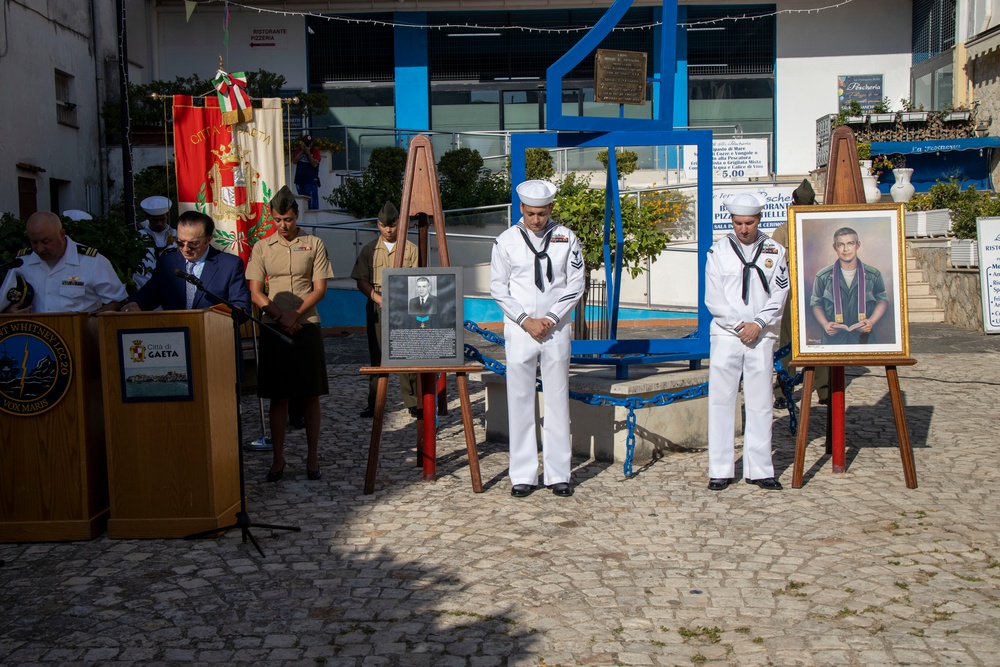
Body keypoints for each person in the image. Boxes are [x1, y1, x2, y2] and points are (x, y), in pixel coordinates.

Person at [489, 179, 585, 498]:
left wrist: (550, 318)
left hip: (555, 329)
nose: (536, 220)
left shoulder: (566, 238)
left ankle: (558, 474)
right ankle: (523, 475)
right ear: (521, 209)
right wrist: (526, 320)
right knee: (519, 399)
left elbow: (575, 284)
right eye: (530, 213)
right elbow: (499, 288)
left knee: (557, 398)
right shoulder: (506, 241)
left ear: (551, 209)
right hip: (520, 330)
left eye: (542, 213)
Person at [246, 185, 334, 482]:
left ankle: (312, 456)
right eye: (277, 220)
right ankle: (278, 458)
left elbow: (319, 288)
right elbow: (256, 292)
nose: (283, 225)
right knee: (277, 396)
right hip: (273, 326)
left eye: (288, 219)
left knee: (310, 394)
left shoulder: (314, 243)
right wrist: (279, 316)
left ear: (297, 215)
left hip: (306, 323)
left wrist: (294, 315)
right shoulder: (262, 247)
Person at [705, 192, 789, 492]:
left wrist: (758, 324)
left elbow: (780, 293)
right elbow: (713, 298)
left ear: (759, 220)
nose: (743, 229)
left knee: (761, 402)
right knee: (721, 400)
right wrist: (740, 325)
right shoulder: (718, 252)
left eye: (749, 223)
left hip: (761, 335)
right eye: (738, 222)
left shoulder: (774, 250)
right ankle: (720, 469)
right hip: (727, 335)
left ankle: (761, 468)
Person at [350, 201, 420, 419]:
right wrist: (378, 299)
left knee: (406, 354)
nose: (388, 230)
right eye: (383, 225)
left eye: (392, 225)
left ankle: (413, 402)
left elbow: (417, 279)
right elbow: (361, 280)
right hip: (377, 303)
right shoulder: (369, 250)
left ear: (399, 224)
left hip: (405, 305)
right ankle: (375, 402)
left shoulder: (411, 249)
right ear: (378, 225)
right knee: (378, 355)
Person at [120, 211, 250, 314]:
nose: (185, 248)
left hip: (215, 338)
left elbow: (242, 306)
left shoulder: (229, 265)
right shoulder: (168, 263)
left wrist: (224, 315)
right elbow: (149, 295)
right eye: (180, 242)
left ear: (208, 239)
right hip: (176, 339)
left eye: (193, 244)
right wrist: (133, 304)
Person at [771, 179, 829, 408]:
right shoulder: (785, 231)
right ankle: (786, 392)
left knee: (816, 342)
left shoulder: (817, 228)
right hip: (796, 292)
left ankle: (820, 390)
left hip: (815, 292)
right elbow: (775, 263)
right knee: (792, 343)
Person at [0, 211, 127, 314]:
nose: (39, 248)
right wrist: (7, 313)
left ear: (62, 234)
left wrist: (90, 321)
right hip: (35, 340)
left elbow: (118, 300)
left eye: (45, 241)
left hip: (77, 338)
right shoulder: (21, 262)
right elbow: (6, 298)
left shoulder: (92, 262)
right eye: (34, 242)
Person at [810, 227, 889, 345]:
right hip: (834, 339)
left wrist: (871, 322)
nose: (845, 249)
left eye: (850, 243)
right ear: (834, 247)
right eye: (840, 244)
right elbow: (816, 304)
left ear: (858, 245)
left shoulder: (873, 275)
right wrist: (825, 324)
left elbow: (882, 300)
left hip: (864, 337)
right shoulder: (823, 276)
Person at [133, 196, 176, 290]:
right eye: (155, 220)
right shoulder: (139, 237)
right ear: (147, 217)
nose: (159, 224)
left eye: (162, 219)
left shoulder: (176, 235)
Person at [292, 132, 321, 211]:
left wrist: (308, 153)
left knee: (312, 204)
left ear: (312, 143)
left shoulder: (315, 151)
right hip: (300, 180)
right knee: (302, 202)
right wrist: (302, 151)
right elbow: (294, 161)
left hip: (311, 181)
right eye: (306, 143)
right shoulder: (299, 150)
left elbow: (315, 164)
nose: (308, 145)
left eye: (309, 143)